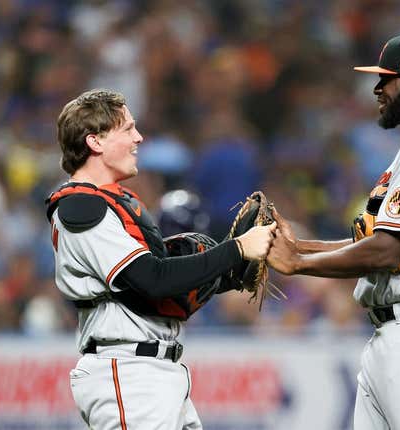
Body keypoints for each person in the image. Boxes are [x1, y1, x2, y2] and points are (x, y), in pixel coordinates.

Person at [267, 33, 400, 429]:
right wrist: (300, 246)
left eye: (387, 79)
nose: (377, 88)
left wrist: (298, 263)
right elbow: (378, 241)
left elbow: (385, 251)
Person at [45, 89, 275, 429]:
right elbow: (152, 279)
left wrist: (231, 272)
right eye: (127, 129)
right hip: (127, 371)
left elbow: (166, 292)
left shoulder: (114, 202)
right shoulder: (80, 206)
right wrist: (235, 250)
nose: (138, 138)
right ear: (95, 142)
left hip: (153, 370)